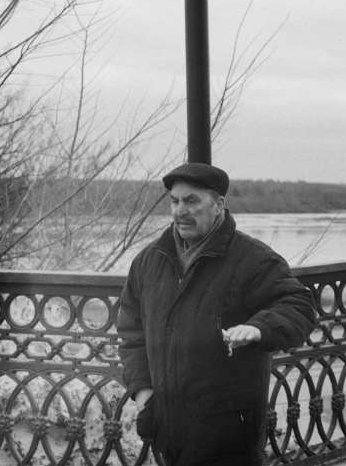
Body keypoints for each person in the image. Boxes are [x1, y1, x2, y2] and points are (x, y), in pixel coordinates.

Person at [117, 163, 316, 466]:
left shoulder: (253, 259)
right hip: (169, 428)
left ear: (219, 205)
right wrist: (145, 395)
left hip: (229, 435)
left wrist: (260, 328)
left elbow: (299, 305)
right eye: (175, 201)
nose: (180, 210)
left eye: (192, 200)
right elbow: (132, 333)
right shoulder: (149, 260)